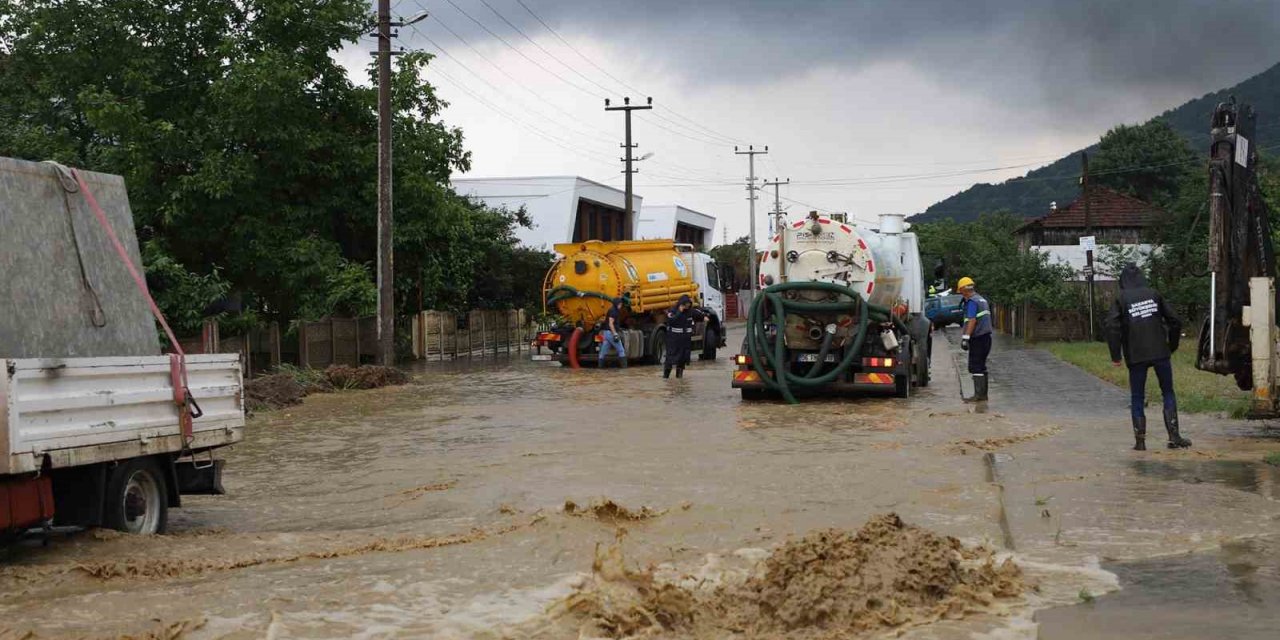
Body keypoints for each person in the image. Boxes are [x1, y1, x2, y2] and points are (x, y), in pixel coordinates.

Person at [1106, 263, 1189, 450]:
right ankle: (1174, 436)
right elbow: (1175, 321)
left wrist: (1116, 355)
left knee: (1137, 396)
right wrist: (1171, 346)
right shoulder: (1154, 294)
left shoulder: (1121, 298)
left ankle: (1140, 442)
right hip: (1160, 352)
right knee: (1167, 391)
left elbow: (1112, 326)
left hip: (1136, 355)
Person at [957, 276, 992, 402]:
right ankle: (983, 395)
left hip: (978, 338)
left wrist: (965, 337)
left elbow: (972, 320)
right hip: (986, 338)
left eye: (960, 291)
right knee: (981, 366)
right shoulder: (981, 300)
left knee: (975, 366)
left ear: (963, 290)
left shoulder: (972, 302)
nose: (961, 294)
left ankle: (978, 396)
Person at [663, 294, 704, 379]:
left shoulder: (690, 311)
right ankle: (665, 377)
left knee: (682, 360)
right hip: (673, 340)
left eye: (689, 304)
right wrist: (679, 312)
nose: (687, 306)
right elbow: (671, 320)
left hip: (685, 341)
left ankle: (679, 378)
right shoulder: (673, 311)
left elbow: (699, 315)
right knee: (670, 359)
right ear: (682, 303)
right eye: (686, 304)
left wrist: (705, 317)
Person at [599, 297, 627, 369]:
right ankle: (624, 369)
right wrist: (615, 334)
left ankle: (600, 368)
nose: (621, 306)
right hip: (610, 333)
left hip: (606, 333)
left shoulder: (612, 310)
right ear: (617, 304)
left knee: (603, 351)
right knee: (621, 350)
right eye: (620, 304)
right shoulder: (614, 311)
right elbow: (611, 324)